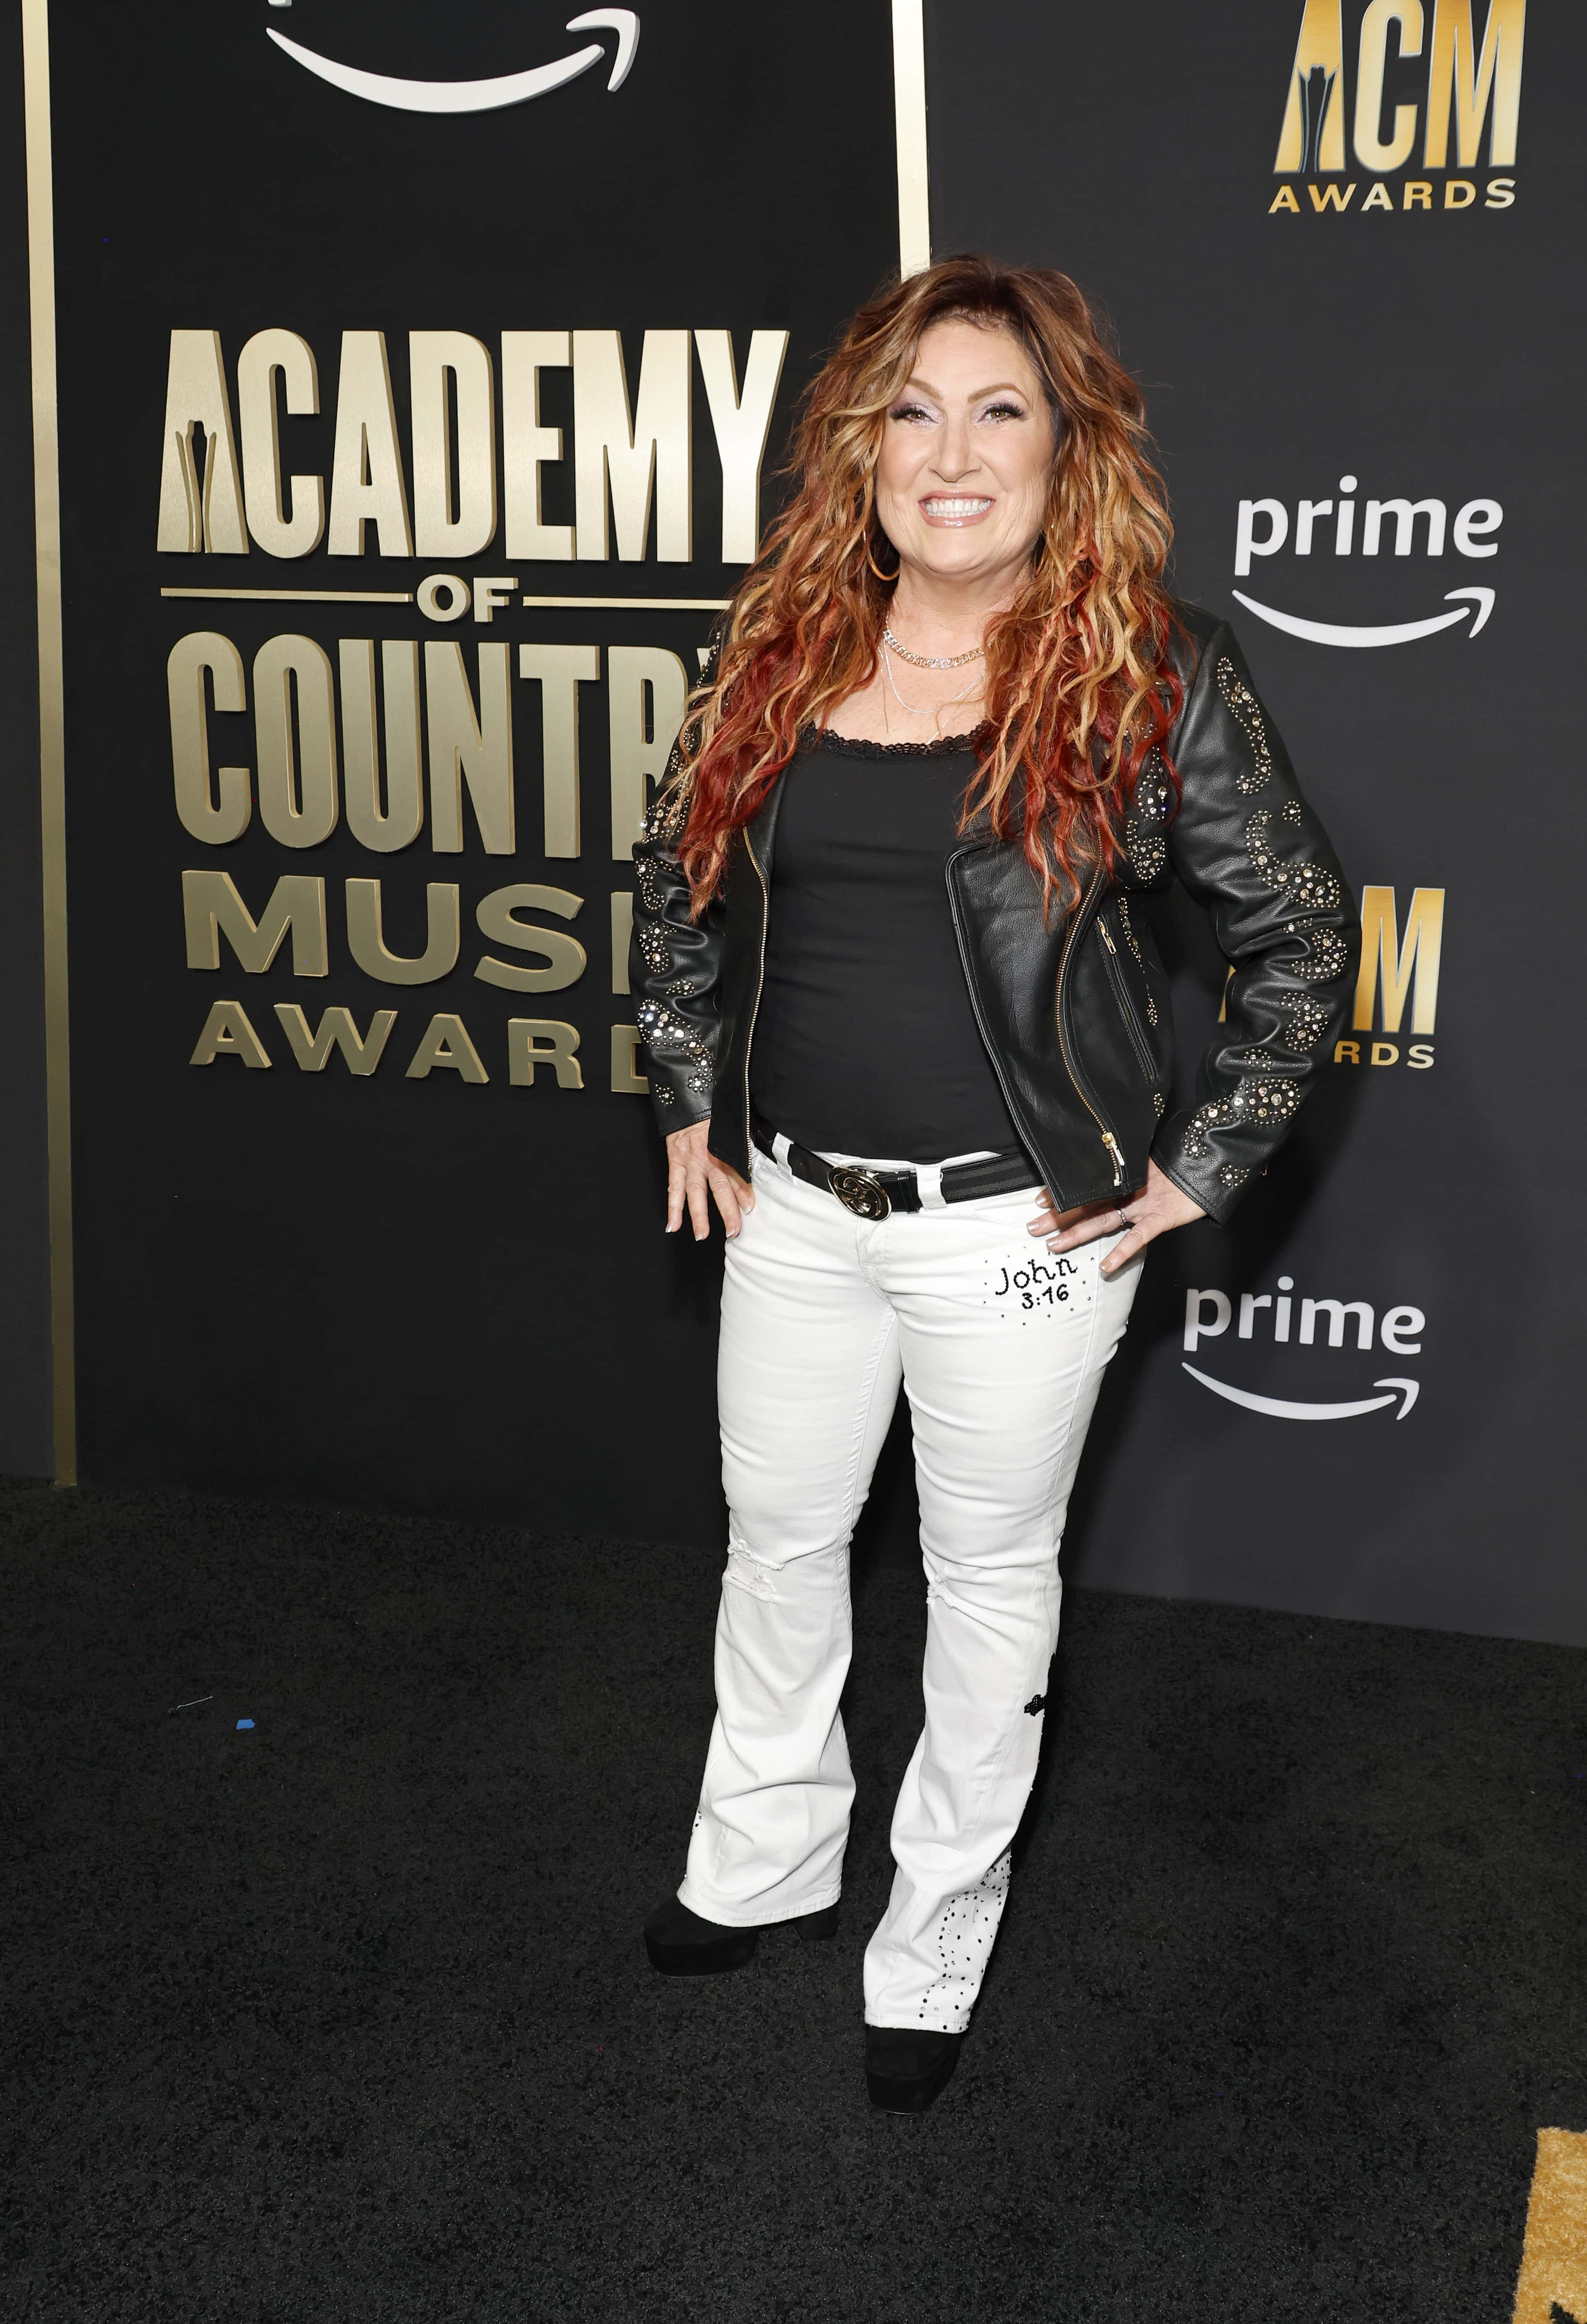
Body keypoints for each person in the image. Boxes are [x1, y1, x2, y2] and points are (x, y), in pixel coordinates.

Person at [630, 256, 1357, 2113]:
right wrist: (687, 1097)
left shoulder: (1151, 669)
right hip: (791, 1215)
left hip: (1017, 1237)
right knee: (777, 1547)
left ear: (1066, 450)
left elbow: (1298, 932)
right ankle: (767, 1857)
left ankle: (933, 1923)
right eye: (912, 410)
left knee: (984, 1583)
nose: (949, 452)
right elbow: (677, 886)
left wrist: (1198, 1163)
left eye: (998, 410)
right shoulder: (775, 647)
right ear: (859, 449)